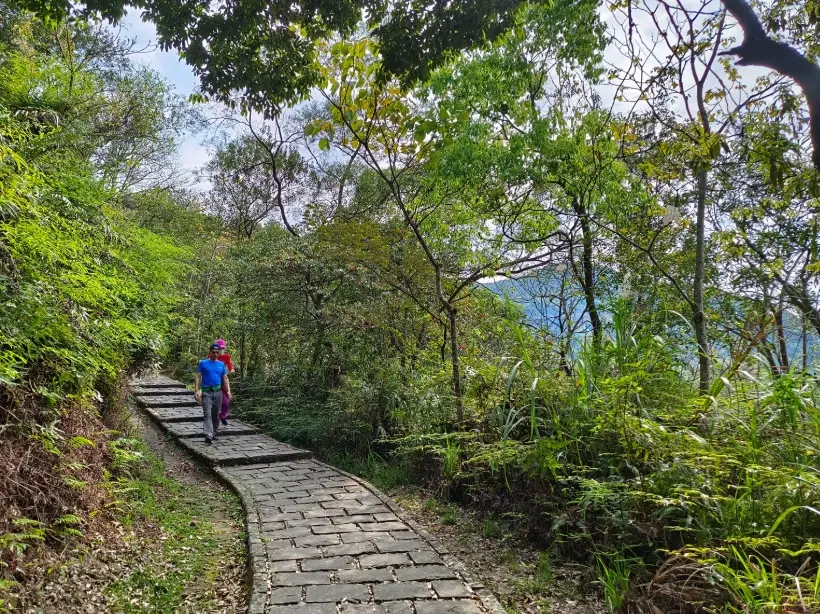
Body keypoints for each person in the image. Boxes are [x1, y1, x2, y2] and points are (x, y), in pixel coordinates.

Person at [195, 343, 232, 445]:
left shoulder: (221, 364)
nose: (215, 354)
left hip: (218, 392)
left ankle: (213, 432)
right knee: (207, 414)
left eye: (217, 352)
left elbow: (225, 378)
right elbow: (198, 376)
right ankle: (209, 434)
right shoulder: (203, 363)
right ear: (210, 352)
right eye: (213, 352)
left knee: (215, 415)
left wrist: (228, 391)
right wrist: (196, 390)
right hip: (207, 392)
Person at [215, 338, 235, 425]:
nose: (221, 350)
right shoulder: (213, 355)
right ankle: (213, 418)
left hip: (224, 380)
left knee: (226, 402)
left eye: (222, 348)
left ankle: (222, 415)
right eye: (219, 348)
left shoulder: (226, 356)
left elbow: (229, 364)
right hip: (214, 381)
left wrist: (231, 369)